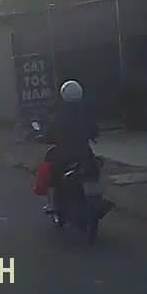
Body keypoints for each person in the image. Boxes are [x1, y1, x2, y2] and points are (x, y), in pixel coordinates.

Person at [43, 80, 98, 214]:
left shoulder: (58, 115)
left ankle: (52, 204)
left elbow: (49, 134)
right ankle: (97, 199)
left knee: (51, 174)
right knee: (94, 170)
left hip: (64, 155)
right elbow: (94, 130)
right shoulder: (85, 113)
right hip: (84, 154)